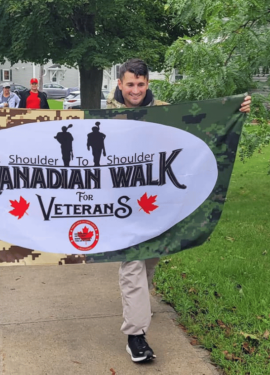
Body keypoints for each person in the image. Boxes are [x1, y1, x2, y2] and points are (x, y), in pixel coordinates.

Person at [107, 58, 251, 363]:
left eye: (140, 84)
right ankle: (136, 335)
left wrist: (234, 110)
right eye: (130, 84)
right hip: (123, 206)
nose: (135, 90)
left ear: (147, 84)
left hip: (157, 205)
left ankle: (139, 309)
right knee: (132, 264)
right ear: (120, 84)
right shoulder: (107, 116)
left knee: (149, 263)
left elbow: (198, 130)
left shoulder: (165, 111)